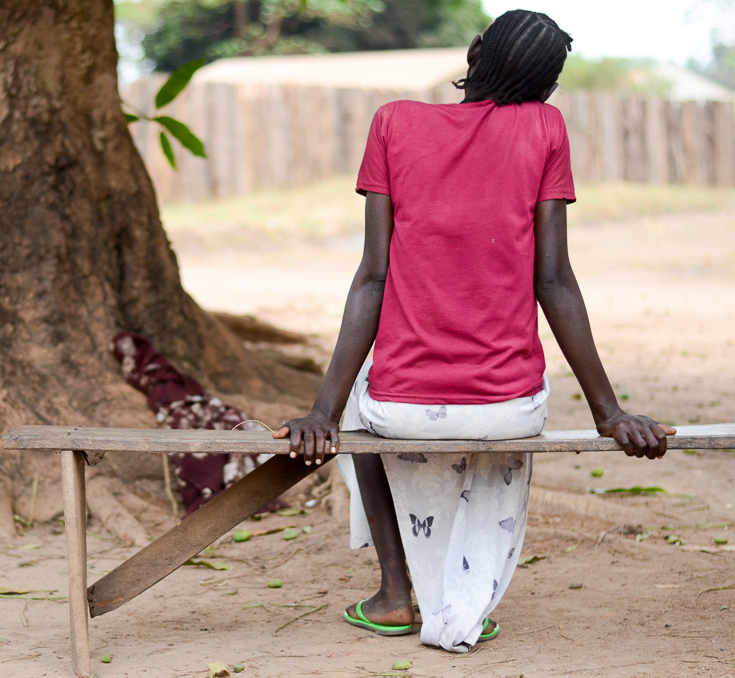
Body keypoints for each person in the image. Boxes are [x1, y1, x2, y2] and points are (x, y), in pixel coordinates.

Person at [273, 9, 675, 654]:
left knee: (355, 410)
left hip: (402, 409)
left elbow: (372, 279)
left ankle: (396, 592)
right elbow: (555, 283)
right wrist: (610, 411)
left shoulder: (394, 122)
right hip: (507, 410)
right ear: (548, 85)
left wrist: (321, 411)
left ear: (473, 51)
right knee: (486, 432)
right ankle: (460, 586)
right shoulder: (546, 126)